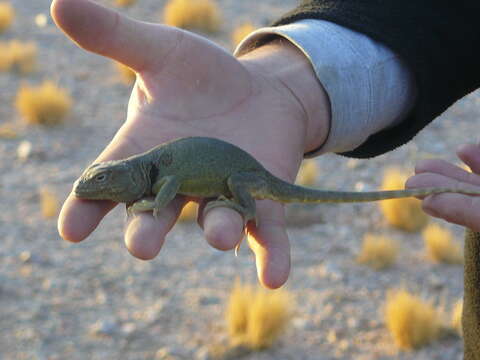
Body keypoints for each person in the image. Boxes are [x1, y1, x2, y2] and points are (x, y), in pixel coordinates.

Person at [52, 0, 480, 291]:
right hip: (235, 161)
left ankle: (248, 206)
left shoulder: (157, 178)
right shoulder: (146, 168)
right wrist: (287, 89)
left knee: (242, 193)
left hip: (243, 176)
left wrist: (150, 205)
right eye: (102, 180)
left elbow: (166, 193)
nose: (100, 183)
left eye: (107, 179)